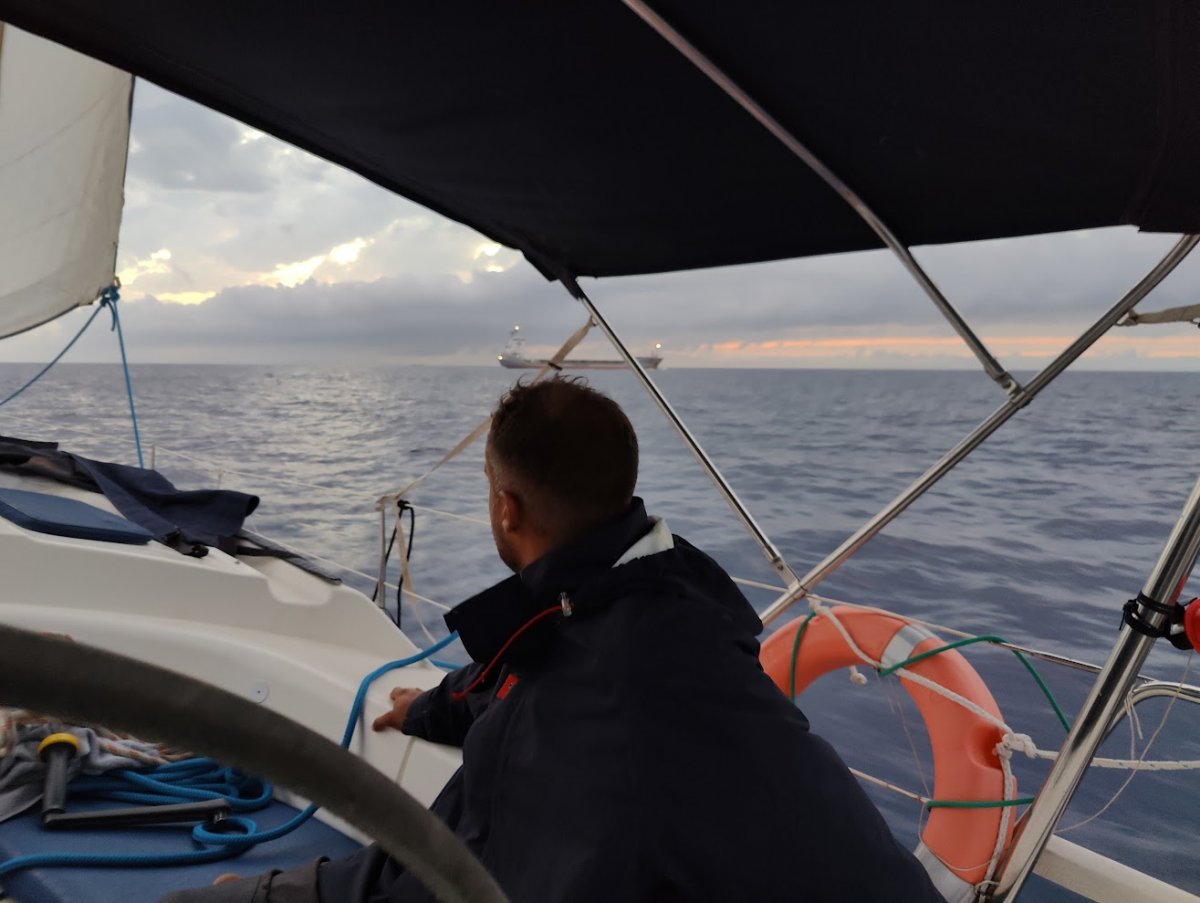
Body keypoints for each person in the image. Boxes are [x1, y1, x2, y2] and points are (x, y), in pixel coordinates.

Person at [164, 377, 942, 902]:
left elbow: (436, 875)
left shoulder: (576, 717)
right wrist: (430, 708)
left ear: (506, 507)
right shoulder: (677, 609)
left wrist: (258, 895)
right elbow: (531, 667)